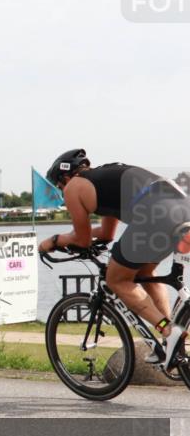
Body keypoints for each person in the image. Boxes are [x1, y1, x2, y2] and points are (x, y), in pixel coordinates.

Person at [39, 149, 190, 370]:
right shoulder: (105, 179)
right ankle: (171, 343)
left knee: (117, 280)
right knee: (144, 274)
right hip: (181, 209)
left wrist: (53, 241)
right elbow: (106, 234)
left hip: (153, 216)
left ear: (65, 177)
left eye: (59, 187)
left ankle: (168, 329)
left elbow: (81, 240)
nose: (63, 193)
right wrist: (79, 238)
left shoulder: (74, 187)